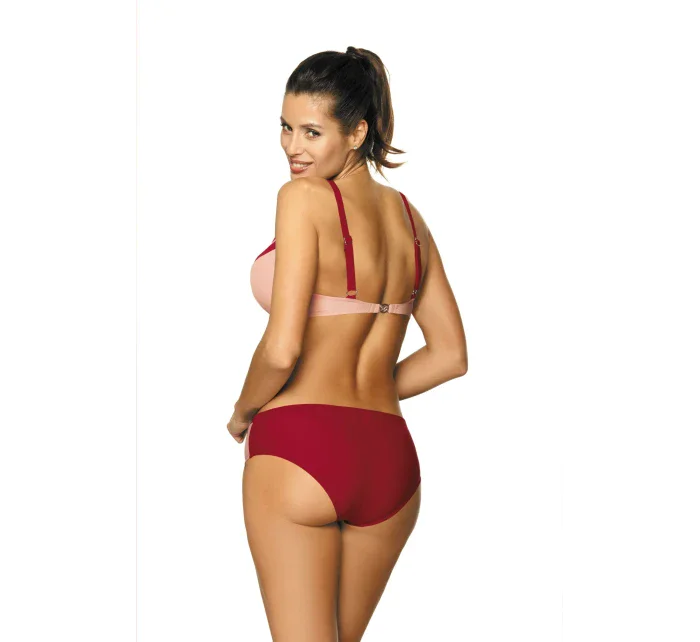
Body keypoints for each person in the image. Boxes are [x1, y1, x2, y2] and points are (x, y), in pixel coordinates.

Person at [227, 46, 468, 641]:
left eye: (312, 132)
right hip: (390, 463)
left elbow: (281, 349)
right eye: (285, 127)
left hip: (300, 447)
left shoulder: (302, 199)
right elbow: (450, 355)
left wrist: (242, 412)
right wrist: (372, 388)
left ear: (358, 132)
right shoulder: (411, 221)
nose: (292, 147)